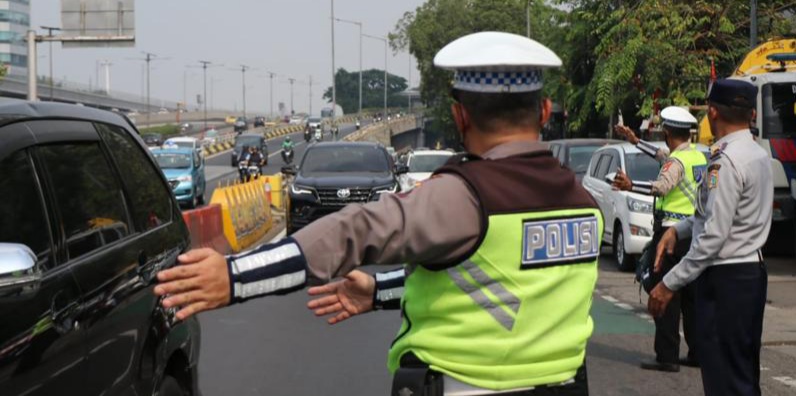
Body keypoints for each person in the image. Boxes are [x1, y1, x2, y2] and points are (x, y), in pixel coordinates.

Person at [154, 31, 603, 395]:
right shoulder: (583, 202)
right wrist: (380, 290)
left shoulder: (464, 196)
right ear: (545, 111)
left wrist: (233, 276)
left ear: (459, 116)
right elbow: (501, 279)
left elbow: (354, 230)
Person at [648, 79, 772, 396]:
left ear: (713, 112)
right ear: (752, 114)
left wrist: (668, 283)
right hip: (749, 274)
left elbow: (714, 236)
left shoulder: (724, 161)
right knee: (741, 374)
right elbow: (717, 215)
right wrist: (677, 230)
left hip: (725, 280)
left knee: (724, 379)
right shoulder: (755, 154)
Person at [612, 107, 705, 372]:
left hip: (670, 234)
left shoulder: (676, 163)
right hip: (693, 233)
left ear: (667, 133)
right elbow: (662, 156)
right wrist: (635, 141)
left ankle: (667, 356)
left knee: (665, 292)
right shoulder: (696, 156)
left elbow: (662, 186)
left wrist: (631, 186)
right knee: (691, 296)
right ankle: (698, 353)